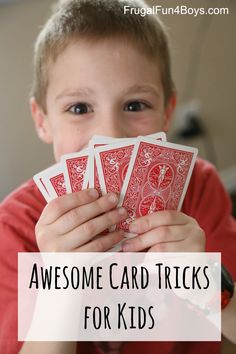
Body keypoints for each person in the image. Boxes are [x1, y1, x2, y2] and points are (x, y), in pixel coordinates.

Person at [0, 0, 235, 353]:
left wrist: (202, 281)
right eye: (79, 108)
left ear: (167, 111)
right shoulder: (17, 224)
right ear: (42, 119)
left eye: (135, 105)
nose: (109, 135)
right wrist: (62, 286)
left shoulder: (200, 188)